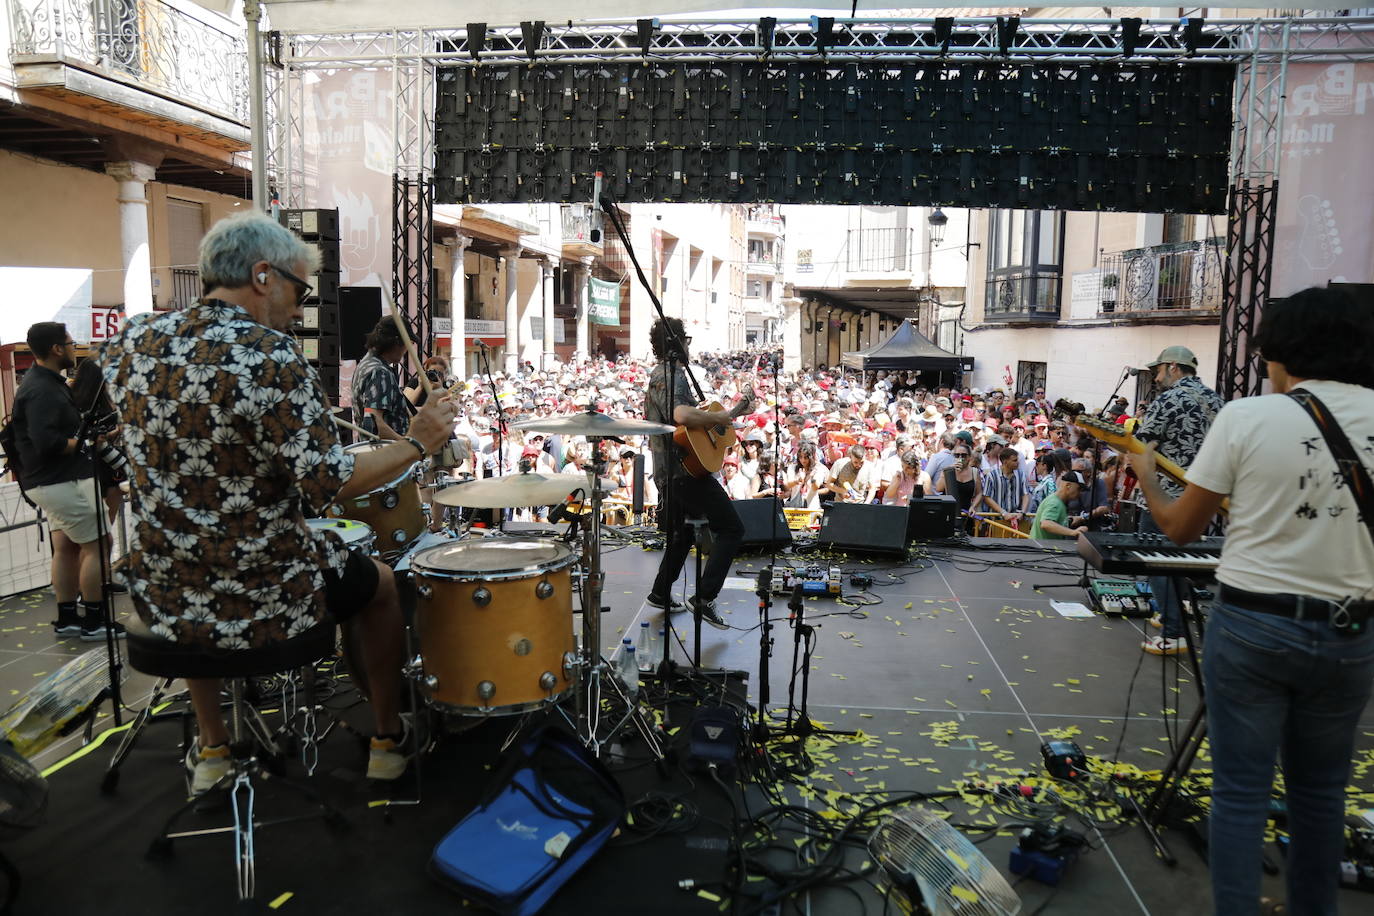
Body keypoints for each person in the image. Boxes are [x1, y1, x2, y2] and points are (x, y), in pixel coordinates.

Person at [98, 213, 459, 790]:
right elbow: (328, 483)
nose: (300, 308)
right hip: (265, 588)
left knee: (197, 605)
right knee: (383, 585)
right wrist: (419, 442)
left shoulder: (131, 341)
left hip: (165, 583)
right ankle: (389, 739)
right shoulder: (271, 355)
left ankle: (213, 752)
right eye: (300, 290)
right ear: (263, 276)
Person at [1126, 287, 1374, 916]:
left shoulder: (1248, 417)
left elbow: (1180, 529)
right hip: (1351, 633)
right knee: (1322, 799)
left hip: (1255, 627)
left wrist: (1147, 472)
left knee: (1239, 793)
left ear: (1282, 353)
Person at [12, 323, 123, 640]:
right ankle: (94, 621)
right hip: (62, 481)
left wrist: (94, 437)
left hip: (53, 481)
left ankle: (68, 618)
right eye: (72, 343)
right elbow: (49, 442)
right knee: (101, 544)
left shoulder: (47, 384)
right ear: (57, 349)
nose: (76, 348)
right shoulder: (42, 391)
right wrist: (88, 442)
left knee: (66, 547)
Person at [642, 317, 751, 629]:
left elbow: (687, 424)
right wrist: (726, 414)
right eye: (686, 341)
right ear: (678, 343)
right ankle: (704, 598)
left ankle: (661, 592)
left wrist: (726, 415)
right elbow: (681, 415)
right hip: (685, 471)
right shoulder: (671, 375)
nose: (689, 346)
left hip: (671, 469)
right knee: (732, 529)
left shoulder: (662, 374)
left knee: (683, 533)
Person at [1133, 344, 1225, 656]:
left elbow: (1141, 446)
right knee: (1179, 559)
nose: (1156, 378)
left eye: (1158, 370)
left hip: (1165, 496)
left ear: (1173, 367)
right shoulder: (1217, 401)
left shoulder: (1169, 399)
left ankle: (1174, 633)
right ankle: (1175, 612)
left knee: (1155, 559)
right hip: (1204, 498)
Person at [353, 318, 410, 439]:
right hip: (388, 452)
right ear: (397, 342)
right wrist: (410, 447)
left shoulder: (365, 363)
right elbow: (375, 426)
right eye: (407, 343)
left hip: (373, 452)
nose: (407, 349)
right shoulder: (380, 373)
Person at [1028, 469, 1087, 541]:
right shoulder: (1054, 502)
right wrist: (1073, 532)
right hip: (1042, 549)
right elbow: (1046, 524)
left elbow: (1053, 521)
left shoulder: (1058, 501)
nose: (1080, 493)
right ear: (1068, 485)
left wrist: (1070, 520)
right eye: (1079, 489)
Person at [980, 447, 1030, 530]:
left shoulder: (1021, 475)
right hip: (997, 519)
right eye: (1014, 460)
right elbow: (986, 497)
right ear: (1005, 461)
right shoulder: (992, 476)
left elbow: (1025, 495)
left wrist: (1022, 512)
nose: (1017, 463)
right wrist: (1003, 513)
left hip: (1017, 518)